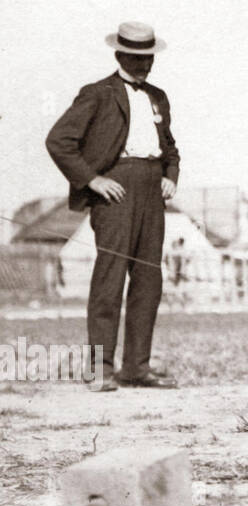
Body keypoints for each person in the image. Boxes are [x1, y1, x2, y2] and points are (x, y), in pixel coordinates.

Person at [45, 22, 181, 391]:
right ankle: (100, 369)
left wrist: (170, 174)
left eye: (148, 58)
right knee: (110, 277)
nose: (143, 65)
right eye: (135, 58)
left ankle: (136, 368)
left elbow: (170, 147)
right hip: (115, 191)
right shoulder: (97, 94)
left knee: (149, 280)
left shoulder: (158, 97)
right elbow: (59, 141)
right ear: (119, 55)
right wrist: (93, 180)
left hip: (152, 190)